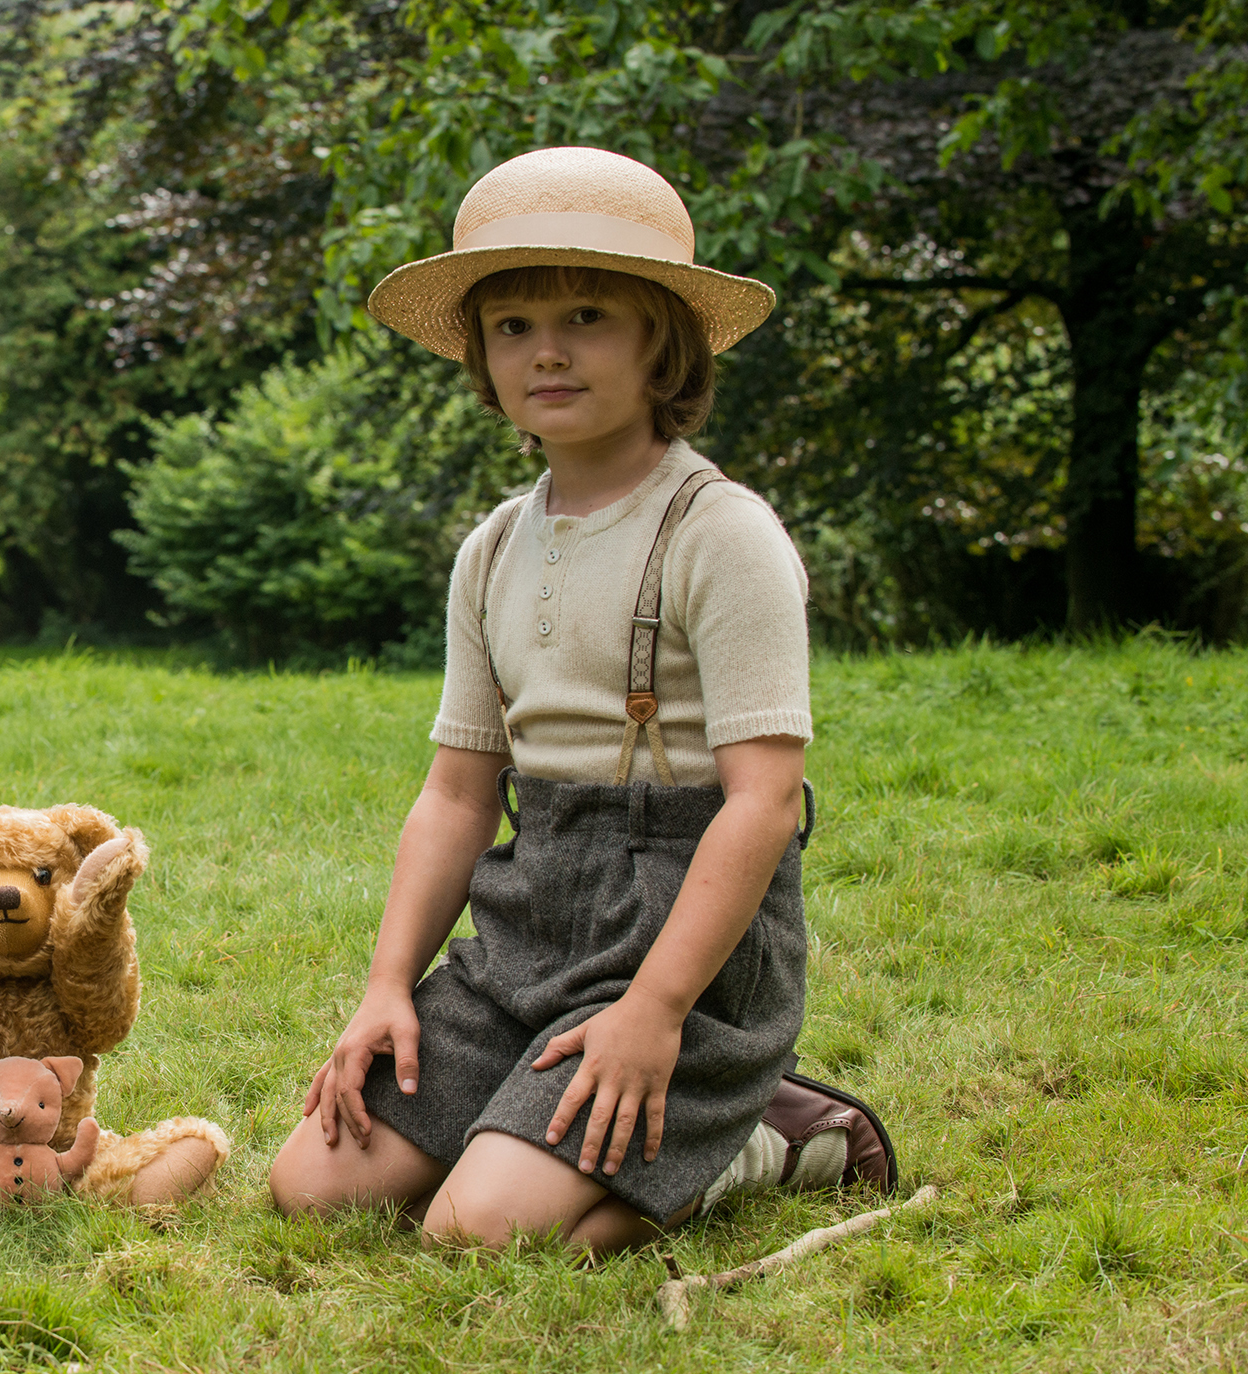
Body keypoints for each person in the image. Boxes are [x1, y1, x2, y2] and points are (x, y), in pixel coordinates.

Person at [267, 147, 895, 1255]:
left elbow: (760, 802)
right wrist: (387, 987)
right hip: (523, 932)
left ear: (664, 343)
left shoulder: (719, 533)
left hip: (680, 947)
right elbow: (459, 793)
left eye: (587, 315)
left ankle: (772, 1134)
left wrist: (652, 1014)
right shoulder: (495, 547)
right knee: (314, 1183)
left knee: (475, 1230)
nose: (545, 350)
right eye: (510, 327)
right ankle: (529, 1114)